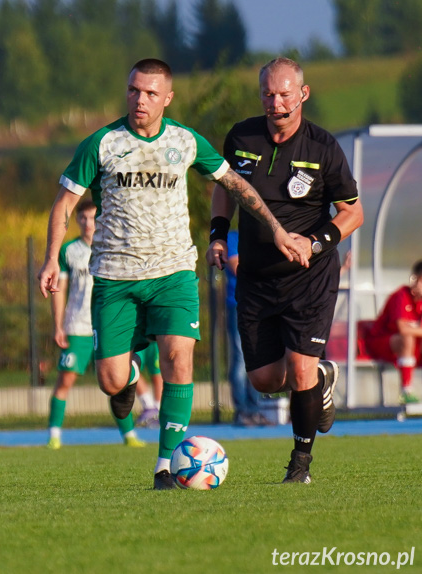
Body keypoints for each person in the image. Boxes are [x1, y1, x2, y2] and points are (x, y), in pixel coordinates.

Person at [38, 58, 305, 490]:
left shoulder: (184, 141)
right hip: (115, 279)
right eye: (133, 91)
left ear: (167, 98)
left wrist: (275, 229)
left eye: (148, 93)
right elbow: (64, 204)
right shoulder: (102, 143)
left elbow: (235, 184)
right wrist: (51, 258)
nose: (139, 100)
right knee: (110, 381)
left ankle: (165, 467)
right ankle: (125, 384)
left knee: (179, 359)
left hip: (173, 273)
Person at [207, 57, 364, 484]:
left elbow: (352, 212)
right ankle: (321, 375)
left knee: (299, 372)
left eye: (285, 94)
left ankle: (300, 465)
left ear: (303, 94)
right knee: (264, 381)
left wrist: (315, 244)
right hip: (256, 277)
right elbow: (223, 192)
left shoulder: (322, 146)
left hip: (309, 278)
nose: (276, 102)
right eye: (268, 94)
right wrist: (218, 236)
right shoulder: (241, 137)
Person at [47, 200, 146, 449]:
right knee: (65, 381)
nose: (88, 223)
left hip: (107, 325)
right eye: (83, 218)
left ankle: (129, 436)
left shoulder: (111, 248)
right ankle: (54, 435)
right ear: (78, 221)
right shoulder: (69, 251)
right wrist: (58, 325)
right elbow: (59, 289)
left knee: (116, 380)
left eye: (93, 218)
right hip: (78, 327)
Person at [224, 230, 270, 426]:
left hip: (261, 305)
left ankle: (254, 408)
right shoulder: (233, 237)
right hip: (239, 304)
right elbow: (236, 267)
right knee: (240, 359)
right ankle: (242, 410)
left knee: (258, 358)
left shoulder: (263, 236)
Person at [362, 260, 422, 404]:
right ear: (414, 279)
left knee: (410, 339)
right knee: (407, 338)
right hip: (378, 344)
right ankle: (406, 391)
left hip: (404, 350)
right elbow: (403, 329)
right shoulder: (401, 296)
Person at [134, 341, 162, 428]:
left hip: (155, 337)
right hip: (136, 337)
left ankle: (158, 411)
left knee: (157, 372)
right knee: (132, 370)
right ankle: (149, 407)